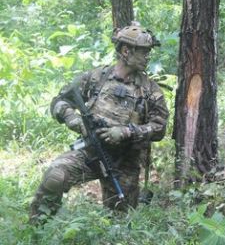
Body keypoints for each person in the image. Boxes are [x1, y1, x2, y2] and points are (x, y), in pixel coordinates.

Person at [29, 24, 169, 224]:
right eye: (143, 52)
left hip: (124, 162)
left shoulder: (150, 90)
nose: (148, 57)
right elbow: (59, 101)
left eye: (149, 52)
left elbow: (159, 128)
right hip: (90, 151)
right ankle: (36, 229)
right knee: (55, 177)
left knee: (119, 221)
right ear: (126, 51)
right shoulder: (96, 77)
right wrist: (72, 118)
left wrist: (126, 131)